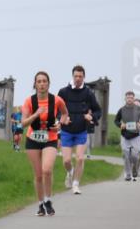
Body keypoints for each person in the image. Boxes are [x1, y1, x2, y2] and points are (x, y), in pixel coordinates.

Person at [21, 72, 69, 216]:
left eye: (44, 81)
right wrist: (35, 114)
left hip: (50, 138)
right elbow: (23, 123)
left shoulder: (57, 100)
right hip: (33, 139)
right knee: (38, 175)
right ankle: (40, 204)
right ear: (35, 84)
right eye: (39, 81)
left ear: (48, 83)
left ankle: (48, 200)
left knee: (47, 170)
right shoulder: (29, 101)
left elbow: (65, 114)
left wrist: (60, 124)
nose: (42, 84)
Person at [57, 65, 102, 195]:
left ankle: (76, 184)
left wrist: (91, 116)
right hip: (66, 130)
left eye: (80, 76)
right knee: (66, 161)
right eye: (76, 76)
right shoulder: (63, 92)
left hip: (82, 130)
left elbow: (98, 110)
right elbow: (56, 110)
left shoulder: (88, 93)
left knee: (80, 158)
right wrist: (62, 118)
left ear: (84, 77)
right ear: (72, 76)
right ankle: (70, 172)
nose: (78, 78)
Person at [114, 91, 140, 182]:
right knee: (126, 155)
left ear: (133, 98)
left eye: (131, 98)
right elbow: (116, 121)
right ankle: (128, 174)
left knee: (135, 156)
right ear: (125, 99)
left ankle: (134, 169)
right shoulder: (121, 109)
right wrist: (120, 125)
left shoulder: (138, 109)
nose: (129, 99)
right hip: (125, 136)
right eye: (128, 97)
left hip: (135, 136)